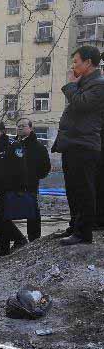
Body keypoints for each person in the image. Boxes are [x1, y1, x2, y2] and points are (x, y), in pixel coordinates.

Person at [53, 45, 104, 245]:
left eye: (76, 61)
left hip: (84, 143)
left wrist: (71, 86)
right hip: (72, 143)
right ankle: (75, 226)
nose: (73, 65)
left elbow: (82, 104)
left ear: (88, 62)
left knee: (84, 189)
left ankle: (84, 232)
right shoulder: (84, 84)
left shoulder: (99, 85)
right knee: (73, 189)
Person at [0, 121, 28, 256]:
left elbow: (21, 169)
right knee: (1, 219)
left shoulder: (13, 145)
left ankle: (17, 241)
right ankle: (4, 249)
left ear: (2, 131)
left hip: (9, 188)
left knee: (2, 219)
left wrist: (19, 188)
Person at [14, 118, 51, 241]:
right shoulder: (12, 144)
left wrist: (33, 176)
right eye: (18, 126)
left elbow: (45, 167)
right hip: (11, 184)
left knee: (32, 213)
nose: (20, 128)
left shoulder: (38, 146)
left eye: (23, 126)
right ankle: (18, 239)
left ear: (30, 128)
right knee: (4, 213)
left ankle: (34, 240)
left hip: (30, 184)